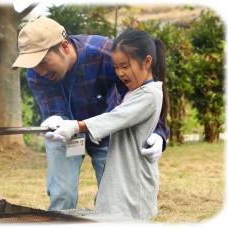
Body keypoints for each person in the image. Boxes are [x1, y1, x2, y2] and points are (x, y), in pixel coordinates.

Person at [12, 17, 169, 211]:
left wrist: (159, 133)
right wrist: (54, 119)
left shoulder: (106, 54)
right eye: (33, 65)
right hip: (66, 135)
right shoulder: (35, 73)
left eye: (43, 62)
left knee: (113, 196)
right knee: (62, 195)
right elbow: (54, 109)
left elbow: (145, 94)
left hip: (107, 133)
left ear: (65, 47)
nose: (40, 71)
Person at [53, 29, 167, 220]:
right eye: (116, 67)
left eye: (125, 66)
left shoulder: (149, 94)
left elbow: (115, 117)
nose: (120, 73)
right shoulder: (133, 92)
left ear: (147, 62)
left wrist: (76, 126)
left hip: (133, 181)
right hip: (121, 175)